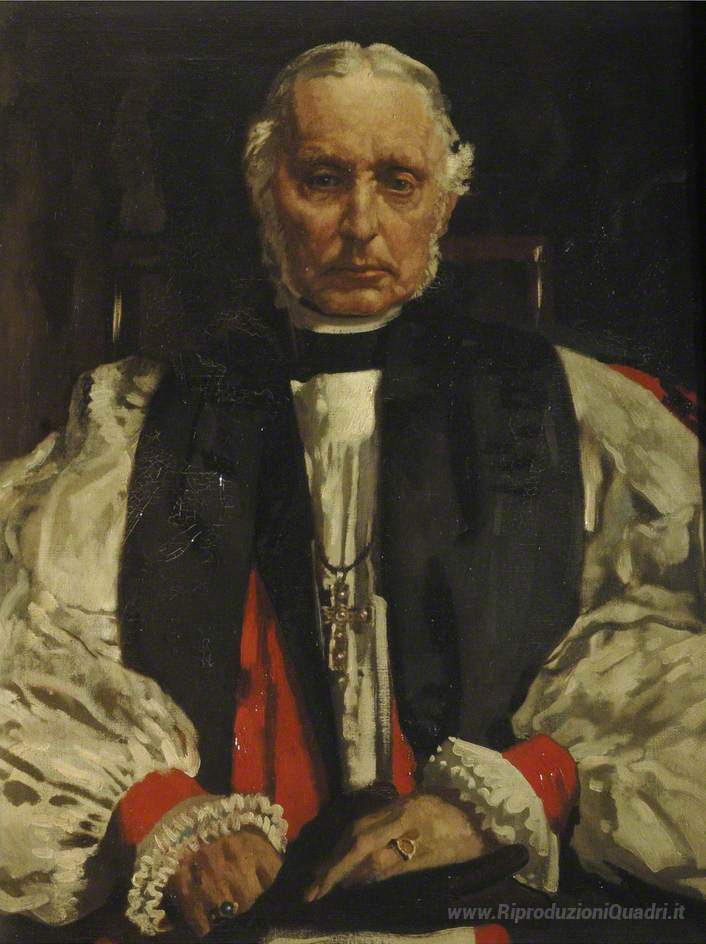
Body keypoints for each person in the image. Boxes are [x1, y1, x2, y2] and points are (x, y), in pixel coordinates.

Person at [0, 42, 703, 942]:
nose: (362, 223)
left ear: (444, 204)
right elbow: (32, 654)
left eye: (398, 182)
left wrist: (520, 792)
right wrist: (164, 815)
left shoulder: (573, 409)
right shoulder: (138, 421)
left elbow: (671, 663)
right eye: (324, 179)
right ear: (269, 198)